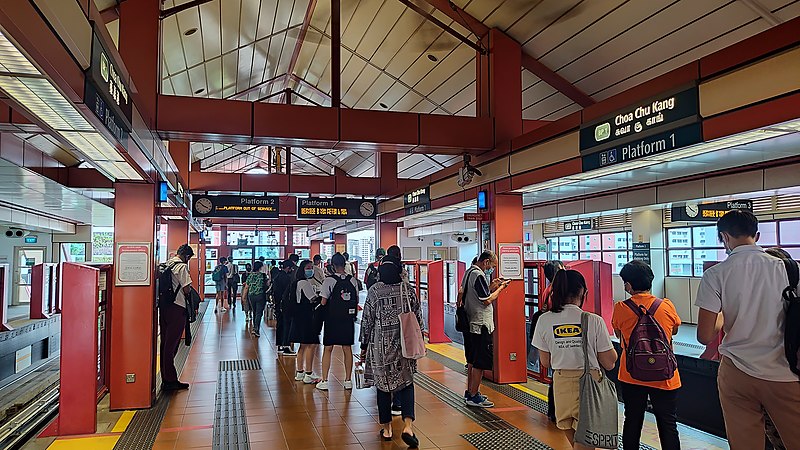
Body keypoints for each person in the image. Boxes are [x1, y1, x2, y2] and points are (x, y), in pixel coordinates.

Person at [695, 210, 800, 450]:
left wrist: (727, 313)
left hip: (737, 371)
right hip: (785, 371)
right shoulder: (790, 270)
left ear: (724, 237)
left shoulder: (715, 275)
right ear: (757, 235)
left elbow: (704, 335)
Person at [532, 269, 617, 450]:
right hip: (589, 384)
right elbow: (609, 362)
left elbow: (545, 362)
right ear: (583, 293)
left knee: (574, 435)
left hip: (561, 384)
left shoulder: (544, 320)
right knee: (586, 439)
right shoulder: (593, 320)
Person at [612, 261, 681, 450]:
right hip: (665, 376)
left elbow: (618, 335)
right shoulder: (666, 306)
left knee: (633, 420)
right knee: (668, 423)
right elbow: (673, 332)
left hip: (631, 374)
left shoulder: (620, 308)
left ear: (628, 285)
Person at [359, 253, 421, 448]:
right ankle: (408, 426)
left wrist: (363, 345)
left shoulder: (375, 291)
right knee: (407, 383)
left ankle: (387, 429)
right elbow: (417, 317)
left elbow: (367, 320)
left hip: (380, 347)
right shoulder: (407, 289)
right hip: (405, 345)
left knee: (383, 387)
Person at [462, 251, 510, 407]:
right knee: (480, 363)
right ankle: (474, 395)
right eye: (492, 266)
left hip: (470, 323)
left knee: (471, 360)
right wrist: (501, 288)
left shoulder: (469, 272)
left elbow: (478, 294)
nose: (492, 270)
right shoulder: (479, 275)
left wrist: (491, 286)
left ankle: (470, 391)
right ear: (486, 262)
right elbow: (486, 300)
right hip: (480, 324)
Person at [317, 253, 360, 391]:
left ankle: (324, 380)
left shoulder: (329, 281)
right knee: (347, 349)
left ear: (333, 265)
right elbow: (357, 300)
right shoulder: (353, 280)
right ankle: (348, 380)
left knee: (328, 349)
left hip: (332, 319)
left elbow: (323, 301)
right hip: (348, 319)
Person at [532, 260, 564, 423]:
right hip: (557, 336)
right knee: (557, 376)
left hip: (549, 335)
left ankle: (553, 411)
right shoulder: (556, 291)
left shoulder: (547, 289)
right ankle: (556, 411)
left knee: (555, 376)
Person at [160, 244, 194, 391]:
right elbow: (186, 288)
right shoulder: (182, 267)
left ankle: (166, 377)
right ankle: (170, 380)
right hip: (177, 307)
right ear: (186, 256)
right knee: (171, 345)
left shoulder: (167, 263)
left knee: (165, 343)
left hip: (165, 307)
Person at [288, 260, 323, 384]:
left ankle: (300, 372)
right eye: (308, 268)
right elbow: (313, 299)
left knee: (302, 346)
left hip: (298, 317)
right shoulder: (304, 283)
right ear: (302, 269)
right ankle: (309, 373)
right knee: (311, 345)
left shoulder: (296, 282)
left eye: (311, 268)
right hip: (307, 317)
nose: (311, 270)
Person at [273, 259, 297, 355]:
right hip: (285, 304)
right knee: (287, 324)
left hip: (278, 303)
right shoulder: (286, 278)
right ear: (288, 268)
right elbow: (288, 292)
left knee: (280, 324)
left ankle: (280, 344)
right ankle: (286, 346)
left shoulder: (277, 276)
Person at [244, 261, 268, 337]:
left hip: (251, 296)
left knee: (254, 312)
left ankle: (255, 327)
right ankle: (256, 329)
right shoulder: (263, 275)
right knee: (259, 313)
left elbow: (246, 287)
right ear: (260, 267)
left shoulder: (250, 275)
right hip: (260, 295)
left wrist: (243, 296)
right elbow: (267, 285)